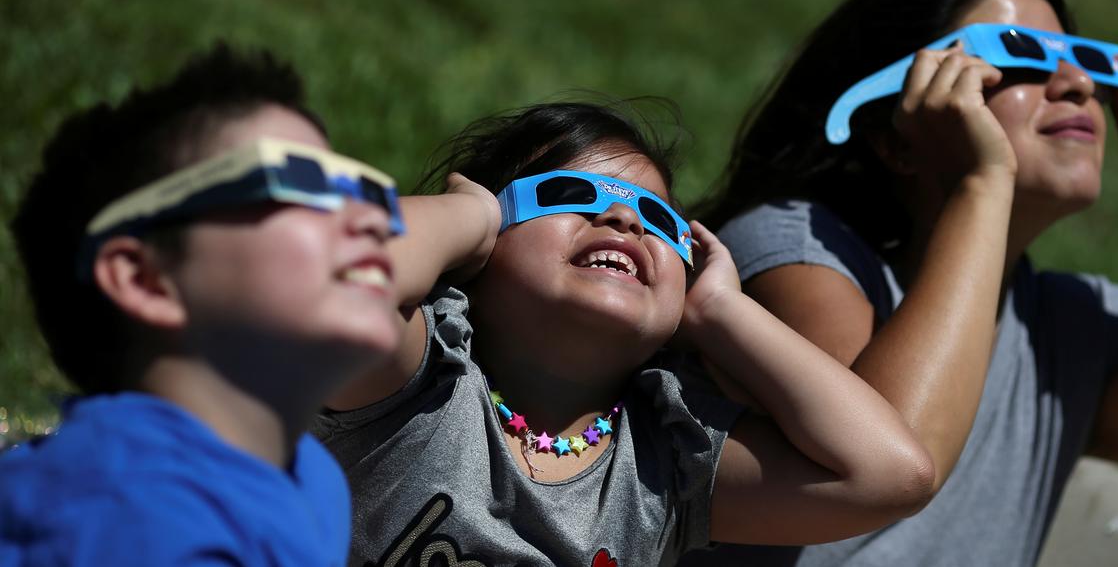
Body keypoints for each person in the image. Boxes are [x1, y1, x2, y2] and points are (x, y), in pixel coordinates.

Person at [678, 0, 1118, 567]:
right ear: (897, 132)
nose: (1079, 83)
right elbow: (894, 466)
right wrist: (982, 182)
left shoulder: (1070, 335)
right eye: (1018, 53)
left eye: (1088, 59)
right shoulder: (794, 246)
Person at [312, 100, 953, 565]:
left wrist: (722, 311)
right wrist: (465, 215)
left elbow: (891, 475)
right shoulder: (420, 380)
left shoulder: (665, 462)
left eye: (659, 218)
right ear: (484, 243)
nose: (624, 218)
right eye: (569, 193)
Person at [0, 45, 404, 565]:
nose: (374, 220)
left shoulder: (309, 476)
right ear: (145, 280)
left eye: (364, 193)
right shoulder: (132, 522)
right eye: (302, 181)